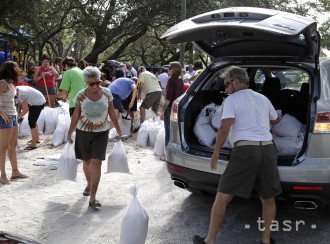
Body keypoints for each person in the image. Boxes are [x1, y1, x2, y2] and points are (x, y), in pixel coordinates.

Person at [193, 66, 282, 244]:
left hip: (245, 151)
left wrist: (216, 153)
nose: (225, 89)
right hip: (268, 149)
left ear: (235, 82)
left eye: (226, 84)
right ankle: (266, 240)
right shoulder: (263, 98)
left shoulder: (232, 100)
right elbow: (275, 120)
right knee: (268, 198)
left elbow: (224, 127)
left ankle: (209, 240)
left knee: (222, 196)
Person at [67, 66, 122, 208]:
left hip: (102, 132)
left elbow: (112, 112)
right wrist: (69, 132)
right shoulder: (80, 96)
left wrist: (118, 129)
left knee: (97, 162)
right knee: (87, 162)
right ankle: (88, 184)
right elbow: (76, 115)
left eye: (98, 82)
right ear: (86, 83)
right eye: (92, 84)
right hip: (83, 132)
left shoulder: (107, 93)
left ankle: (93, 197)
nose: (96, 86)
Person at [0, 61, 28, 185]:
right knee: (3, 148)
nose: (19, 72)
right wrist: (2, 113)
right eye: (16, 69)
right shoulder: (3, 83)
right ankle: (3, 174)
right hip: (5, 118)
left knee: (13, 145)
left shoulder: (11, 84)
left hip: (13, 116)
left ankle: (15, 172)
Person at [160, 62, 184, 160]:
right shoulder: (180, 80)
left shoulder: (171, 80)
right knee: (175, 132)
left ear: (173, 69)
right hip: (177, 107)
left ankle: (167, 155)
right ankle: (174, 154)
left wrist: (162, 111)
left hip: (170, 108)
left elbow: (168, 98)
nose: (168, 70)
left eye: (169, 68)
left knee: (168, 131)